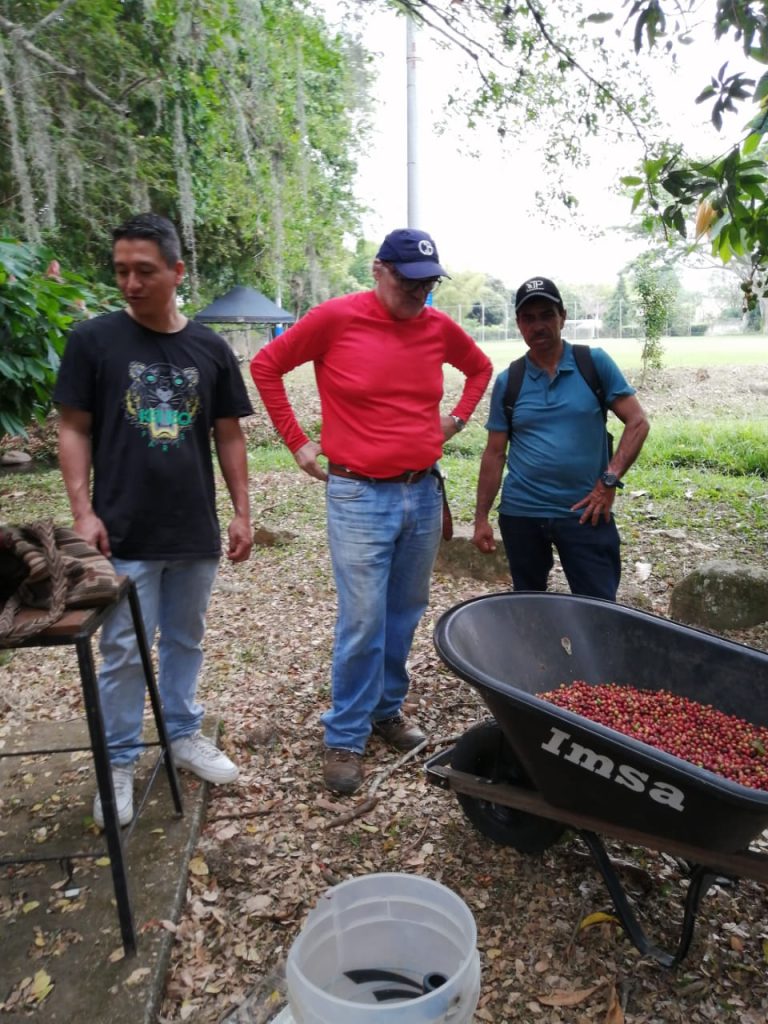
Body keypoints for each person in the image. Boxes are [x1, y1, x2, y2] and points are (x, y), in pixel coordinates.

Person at [251, 228, 492, 795]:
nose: (419, 293)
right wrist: (297, 442)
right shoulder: (336, 318)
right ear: (379, 270)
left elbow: (480, 368)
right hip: (358, 495)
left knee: (404, 611)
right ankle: (345, 734)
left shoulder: (437, 327)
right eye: (409, 281)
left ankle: (385, 709)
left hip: (422, 492)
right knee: (362, 619)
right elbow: (266, 366)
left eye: (428, 283)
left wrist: (456, 420)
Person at [54, 212, 254, 827]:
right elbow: (73, 428)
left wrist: (242, 511)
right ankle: (117, 760)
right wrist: (82, 512)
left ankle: (181, 732)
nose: (131, 284)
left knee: (186, 638)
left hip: (192, 527)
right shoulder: (94, 342)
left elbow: (228, 435)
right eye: (121, 271)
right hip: (122, 529)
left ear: (177, 271)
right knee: (123, 649)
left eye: (144, 271)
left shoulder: (210, 348)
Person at [473, 276, 649, 600]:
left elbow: (637, 422)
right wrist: (481, 518)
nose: (538, 326)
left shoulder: (592, 363)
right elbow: (494, 454)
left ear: (563, 317)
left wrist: (609, 481)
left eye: (546, 315)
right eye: (529, 318)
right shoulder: (509, 380)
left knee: (598, 607)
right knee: (530, 604)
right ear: (519, 324)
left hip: (586, 511)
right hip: (522, 513)